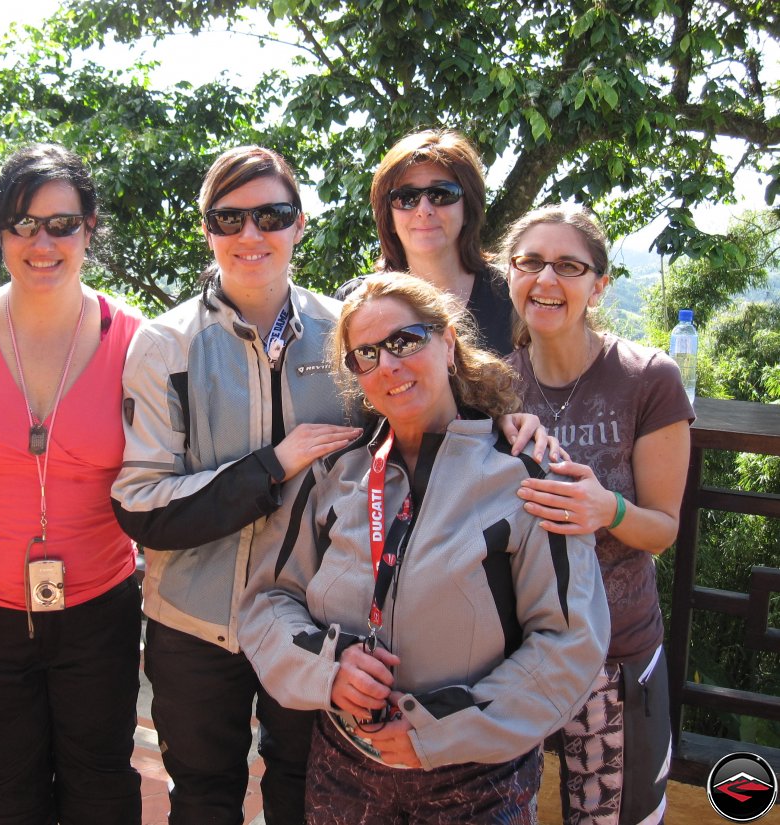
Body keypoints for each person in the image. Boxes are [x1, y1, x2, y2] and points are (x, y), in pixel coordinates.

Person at [237, 273, 611, 824]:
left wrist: (444, 729)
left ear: (449, 342)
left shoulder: (526, 473)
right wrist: (330, 668)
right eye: (365, 355)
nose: (387, 364)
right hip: (347, 768)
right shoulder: (332, 475)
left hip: (479, 776)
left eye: (405, 340)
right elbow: (268, 600)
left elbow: (570, 640)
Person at [110, 145, 362, 824]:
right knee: (203, 796)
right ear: (208, 230)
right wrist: (272, 465)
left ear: (301, 224)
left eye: (271, 214)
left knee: (305, 789)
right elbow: (143, 506)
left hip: (313, 616)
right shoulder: (167, 343)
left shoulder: (346, 334)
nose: (250, 235)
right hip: (194, 620)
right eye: (229, 218)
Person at [0, 143, 145, 824]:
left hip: (99, 606)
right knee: (1, 789)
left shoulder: (133, 339)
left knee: (101, 783)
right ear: (0, 233)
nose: (43, 241)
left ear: (89, 228)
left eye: (62, 223)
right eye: (23, 223)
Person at [501, 204, 693, 824]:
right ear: (510, 275)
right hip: (514, 655)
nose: (546, 280)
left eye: (568, 266)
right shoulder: (492, 386)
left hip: (616, 649)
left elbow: (663, 528)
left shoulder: (647, 377)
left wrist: (605, 508)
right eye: (530, 262)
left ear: (599, 283)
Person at [338, 128, 514, 356]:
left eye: (441, 193)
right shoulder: (354, 301)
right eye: (406, 198)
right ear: (388, 217)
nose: (424, 210)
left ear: (468, 208)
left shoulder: (513, 293)